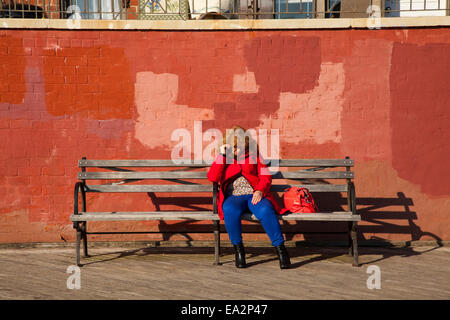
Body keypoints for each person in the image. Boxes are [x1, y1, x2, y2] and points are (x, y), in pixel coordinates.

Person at [207, 126, 291, 269]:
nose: (235, 150)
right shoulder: (223, 158)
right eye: (232, 146)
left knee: (265, 210)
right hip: (234, 196)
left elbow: (266, 176)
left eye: (237, 146)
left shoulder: (255, 155)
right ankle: (239, 252)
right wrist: (222, 155)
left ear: (244, 143)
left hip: (254, 194)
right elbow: (213, 177)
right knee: (229, 209)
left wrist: (260, 191)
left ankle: (281, 251)